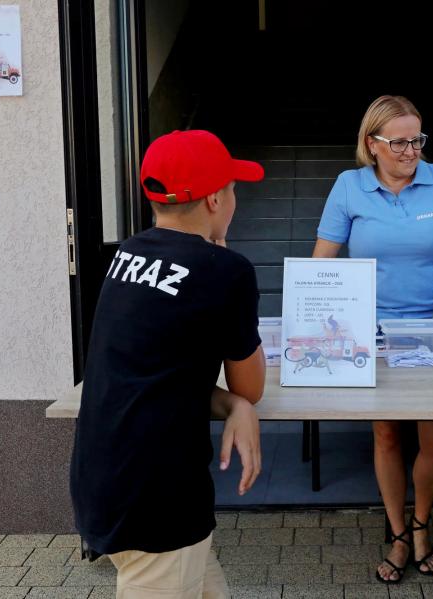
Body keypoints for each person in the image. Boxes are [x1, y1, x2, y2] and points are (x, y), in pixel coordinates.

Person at [70, 130, 267, 599]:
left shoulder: (126, 255)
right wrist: (241, 400)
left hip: (104, 476)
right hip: (158, 497)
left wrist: (231, 406)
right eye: (233, 189)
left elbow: (159, 374)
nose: (234, 199)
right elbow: (251, 385)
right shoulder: (226, 271)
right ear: (215, 199)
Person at [313, 95, 433, 583]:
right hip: (371, 333)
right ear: (372, 143)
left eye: (417, 140)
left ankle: (421, 524)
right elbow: (321, 263)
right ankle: (398, 533)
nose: (411, 150)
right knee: (387, 433)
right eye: (398, 142)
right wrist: (322, 321)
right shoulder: (349, 187)